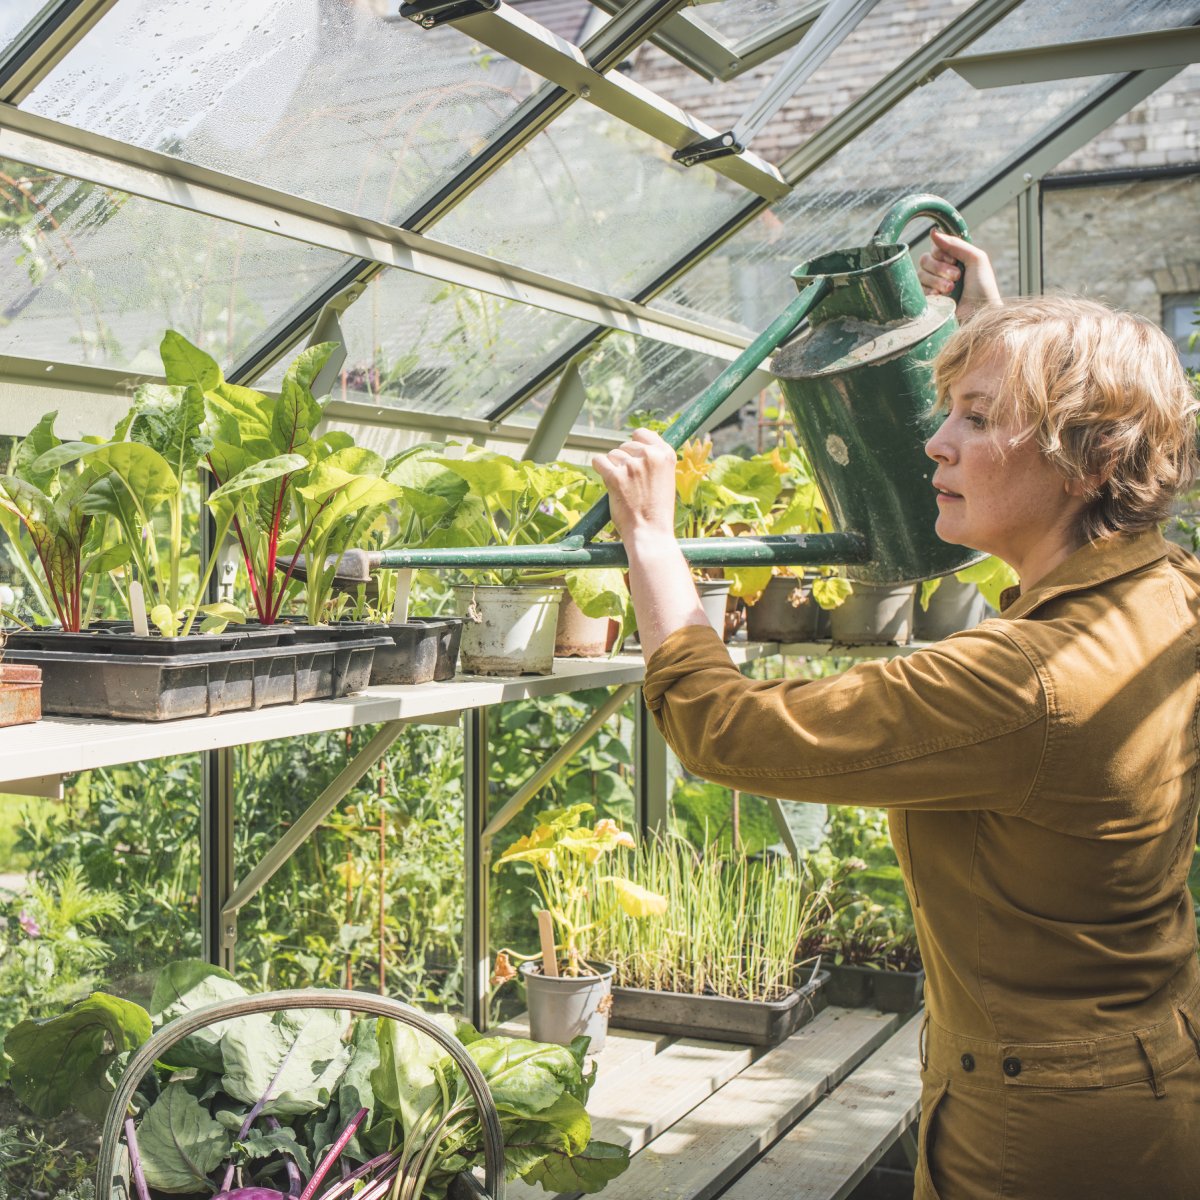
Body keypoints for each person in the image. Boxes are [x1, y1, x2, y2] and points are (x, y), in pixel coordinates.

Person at [591, 229, 1200, 1200]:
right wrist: (989, 320)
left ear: (1088, 458)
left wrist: (657, 551)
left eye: (974, 417)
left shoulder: (1027, 680)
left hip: (1038, 1140)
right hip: (1145, 1079)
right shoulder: (1165, 588)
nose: (934, 441)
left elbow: (725, 730)